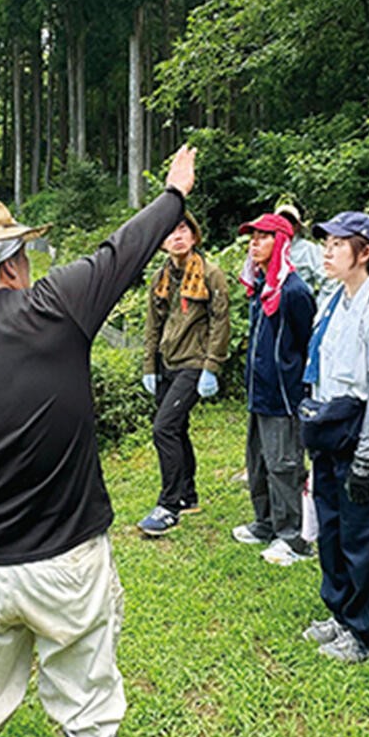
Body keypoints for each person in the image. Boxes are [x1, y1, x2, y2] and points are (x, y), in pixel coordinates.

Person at [0, 147, 198, 737]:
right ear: (8, 264)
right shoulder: (55, 310)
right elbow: (122, 252)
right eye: (23, 254)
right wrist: (174, 192)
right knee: (89, 716)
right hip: (67, 564)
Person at [298, 211, 369, 662]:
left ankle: (368, 634)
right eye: (325, 243)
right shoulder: (333, 300)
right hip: (332, 431)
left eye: (338, 245)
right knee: (334, 531)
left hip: (368, 439)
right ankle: (342, 613)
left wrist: (365, 457)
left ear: (365, 253)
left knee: (366, 538)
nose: (327, 251)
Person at [137, 210, 232, 536]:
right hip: (168, 363)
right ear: (162, 242)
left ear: (193, 235)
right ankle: (188, 496)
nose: (177, 236)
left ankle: (169, 504)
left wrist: (211, 366)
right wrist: (149, 366)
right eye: (170, 231)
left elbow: (221, 322)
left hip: (195, 363)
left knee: (163, 428)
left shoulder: (210, 274)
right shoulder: (161, 278)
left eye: (182, 229)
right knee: (176, 429)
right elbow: (153, 325)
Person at [231, 213, 317, 566]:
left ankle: (294, 537)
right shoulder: (260, 288)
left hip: (284, 396)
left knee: (285, 464)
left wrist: (300, 388)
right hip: (259, 393)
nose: (254, 243)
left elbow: (306, 342)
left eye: (263, 237)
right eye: (252, 237)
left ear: (280, 242)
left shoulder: (294, 291)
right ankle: (265, 523)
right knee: (259, 460)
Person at [275, 203, 335, 301]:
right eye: (280, 221)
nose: (285, 225)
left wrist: (318, 308)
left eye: (290, 221)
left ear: (297, 226)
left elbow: (328, 280)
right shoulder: (269, 249)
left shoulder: (309, 249)